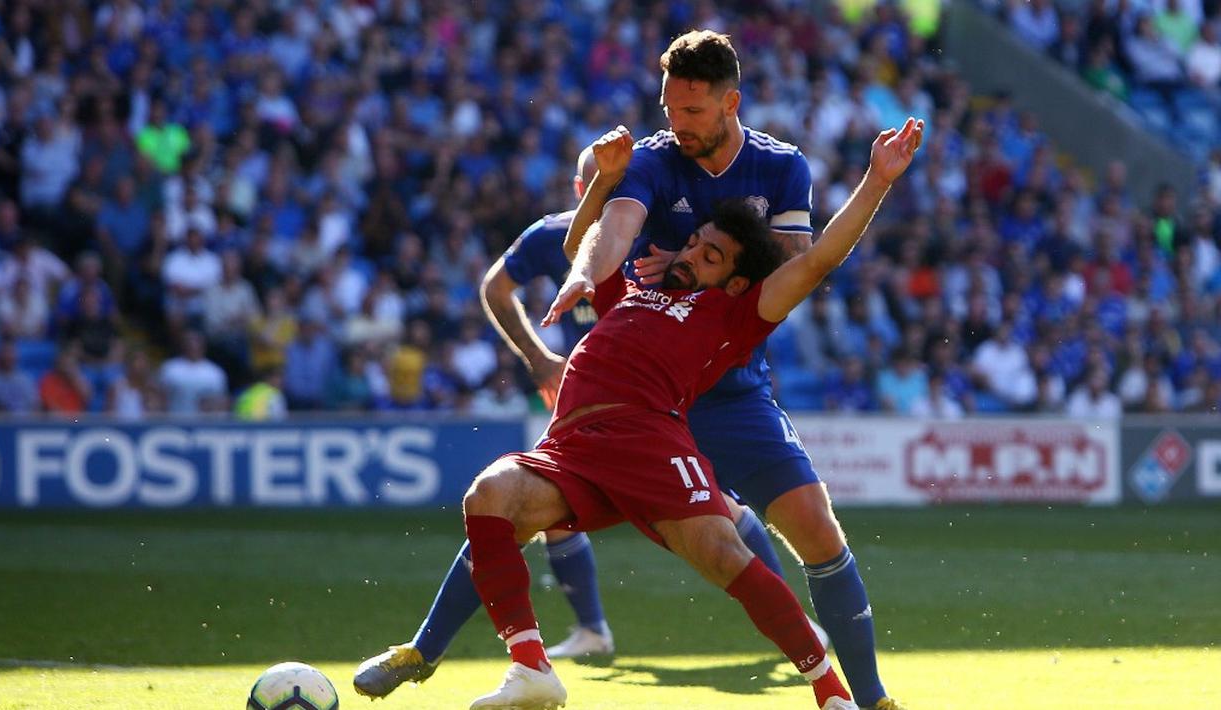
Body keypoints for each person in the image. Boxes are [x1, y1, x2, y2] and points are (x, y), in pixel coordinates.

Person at [461, 116, 921, 709]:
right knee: (489, 494)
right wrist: (603, 183)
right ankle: (530, 667)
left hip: (650, 442)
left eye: (711, 257)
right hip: (576, 446)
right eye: (694, 242)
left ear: (736, 282)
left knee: (725, 556)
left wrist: (877, 181)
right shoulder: (640, 284)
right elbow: (580, 247)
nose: (691, 257)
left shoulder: (735, 314)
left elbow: (816, 262)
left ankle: (831, 692)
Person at [355, 145, 804, 697]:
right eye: (599, 183)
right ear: (580, 188)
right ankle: (458, 646)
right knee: (509, 510)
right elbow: (497, 285)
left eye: (621, 184)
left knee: (719, 514)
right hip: (586, 404)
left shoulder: (662, 240)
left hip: (663, 404)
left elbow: (742, 279)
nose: (614, 192)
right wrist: (538, 357)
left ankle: (802, 636)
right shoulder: (558, 234)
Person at [555, 31, 906, 710]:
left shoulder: (781, 168)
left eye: (690, 111)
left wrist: (695, 267)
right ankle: (457, 650)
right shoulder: (651, 159)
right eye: (668, 109)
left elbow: (801, 267)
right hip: (647, 397)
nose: (676, 124)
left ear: (730, 103)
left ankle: (869, 699)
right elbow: (608, 233)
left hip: (731, 386)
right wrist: (587, 274)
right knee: (526, 503)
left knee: (815, 526)